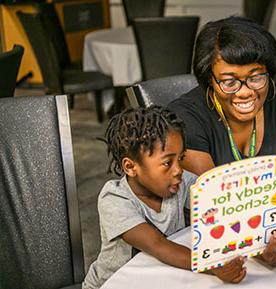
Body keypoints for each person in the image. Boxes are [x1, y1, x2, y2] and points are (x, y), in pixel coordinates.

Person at [169, 16, 276, 266]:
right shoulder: (185, 120)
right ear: (209, 80)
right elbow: (213, 207)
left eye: (256, 76)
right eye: (229, 82)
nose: (245, 91)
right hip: (209, 250)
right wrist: (261, 251)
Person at [83, 107, 246, 289]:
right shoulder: (114, 199)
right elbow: (157, 244)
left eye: (180, 158)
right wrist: (212, 265)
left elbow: (220, 205)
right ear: (130, 167)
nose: (178, 170)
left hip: (162, 278)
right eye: (167, 163)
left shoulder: (180, 183)